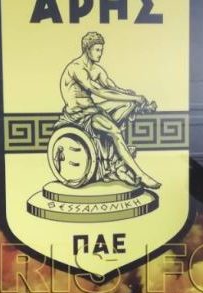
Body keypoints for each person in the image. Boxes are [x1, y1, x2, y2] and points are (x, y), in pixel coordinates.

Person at [54, 31, 160, 189]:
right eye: (97, 50)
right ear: (87, 49)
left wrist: (133, 97)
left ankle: (117, 159)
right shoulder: (76, 68)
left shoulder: (97, 70)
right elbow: (99, 91)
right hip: (78, 116)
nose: (100, 53)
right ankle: (140, 174)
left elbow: (112, 87)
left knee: (128, 105)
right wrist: (133, 98)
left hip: (92, 110)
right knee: (115, 131)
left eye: (101, 50)